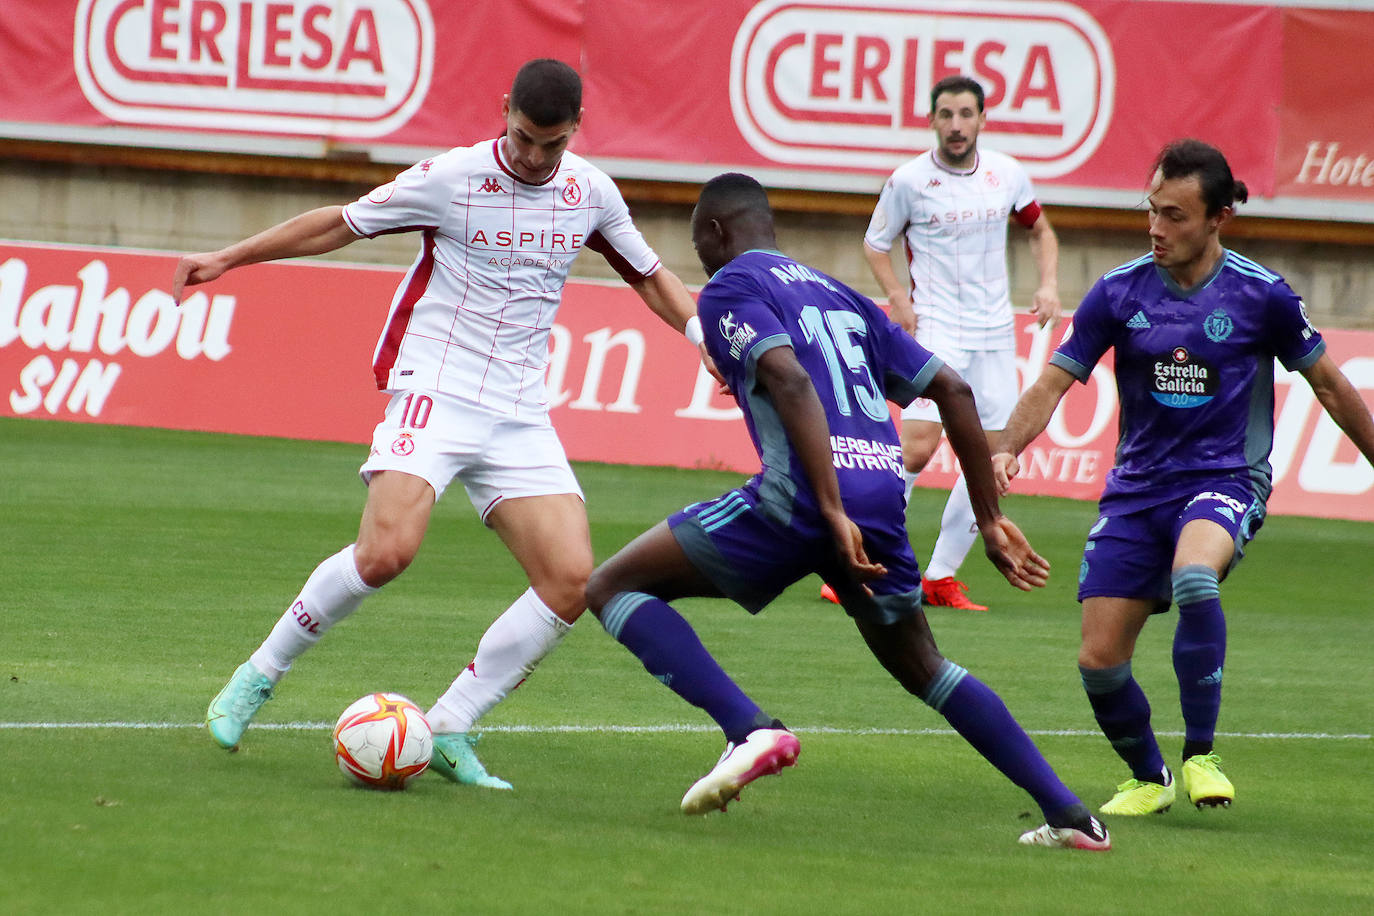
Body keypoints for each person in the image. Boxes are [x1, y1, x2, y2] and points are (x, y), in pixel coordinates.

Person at [173, 59, 706, 789]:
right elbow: (340, 223)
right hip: (436, 386)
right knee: (386, 552)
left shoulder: (591, 192)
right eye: (523, 137)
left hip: (519, 411)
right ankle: (258, 674)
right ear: (503, 109)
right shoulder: (451, 178)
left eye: (551, 144)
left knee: (571, 580)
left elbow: (649, 276)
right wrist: (229, 258)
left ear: (575, 131)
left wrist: (709, 341)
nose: (533, 156)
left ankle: (452, 725)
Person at [584, 172, 1111, 850]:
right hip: (882, 497)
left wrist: (828, 508)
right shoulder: (843, 297)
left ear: (715, 233)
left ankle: (749, 728)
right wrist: (987, 517)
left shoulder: (730, 289)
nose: (701, 258)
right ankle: (1073, 816)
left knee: (611, 587)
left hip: (807, 497)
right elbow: (951, 387)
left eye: (698, 243)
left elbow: (792, 379)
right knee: (926, 667)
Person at [992, 139, 1374, 816]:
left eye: (1175, 216)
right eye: (1151, 210)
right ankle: (1150, 777)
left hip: (1225, 479)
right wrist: (1006, 448)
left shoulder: (1263, 297)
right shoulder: (1119, 292)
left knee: (1195, 576)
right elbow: (1053, 382)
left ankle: (1201, 755)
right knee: (1098, 661)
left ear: (1218, 218)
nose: (1156, 228)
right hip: (1138, 490)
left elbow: (1334, 389)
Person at [835, 74, 1060, 611]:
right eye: (945, 115)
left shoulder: (1007, 174)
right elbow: (875, 244)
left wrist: (1048, 282)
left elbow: (1041, 230)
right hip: (935, 327)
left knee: (992, 459)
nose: (956, 125)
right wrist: (897, 297)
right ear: (932, 121)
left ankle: (938, 576)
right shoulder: (909, 181)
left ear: (983, 119)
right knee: (916, 446)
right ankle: (856, 561)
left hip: (994, 336)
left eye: (965, 114)